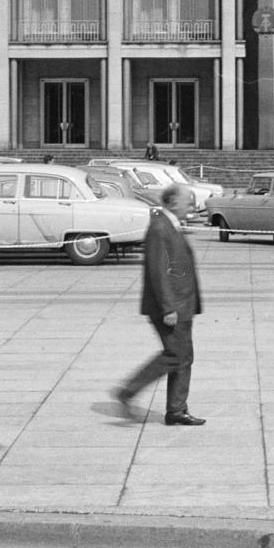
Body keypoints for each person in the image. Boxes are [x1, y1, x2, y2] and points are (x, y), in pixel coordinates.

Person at [111, 183, 205, 426]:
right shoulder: (160, 228)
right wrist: (168, 307)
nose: (193, 207)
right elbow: (158, 271)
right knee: (176, 355)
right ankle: (129, 391)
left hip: (182, 304)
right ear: (173, 202)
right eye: (189, 202)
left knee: (183, 357)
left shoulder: (169, 224)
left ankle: (176, 410)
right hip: (171, 306)